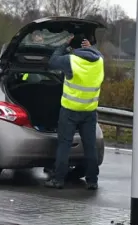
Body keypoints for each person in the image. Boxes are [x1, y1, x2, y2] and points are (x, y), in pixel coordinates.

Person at [43, 33, 104, 190]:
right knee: (90, 146)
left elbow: (53, 61)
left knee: (64, 145)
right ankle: (92, 181)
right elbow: (99, 54)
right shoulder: (99, 61)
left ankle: (58, 179)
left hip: (70, 110)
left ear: (73, 47)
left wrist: (65, 44)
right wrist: (92, 48)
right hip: (89, 110)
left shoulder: (71, 60)